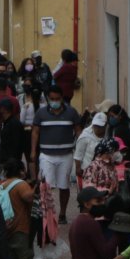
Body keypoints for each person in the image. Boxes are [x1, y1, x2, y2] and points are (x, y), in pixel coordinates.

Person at [31, 85, 82, 224]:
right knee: (46, 186)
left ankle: (63, 214)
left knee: (64, 186)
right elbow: (35, 132)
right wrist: (33, 151)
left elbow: (78, 131)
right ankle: (47, 213)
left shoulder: (72, 113)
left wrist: (79, 150)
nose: (54, 101)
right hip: (46, 155)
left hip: (66, 155)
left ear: (61, 98)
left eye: (57, 99)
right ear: (48, 98)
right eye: (52, 99)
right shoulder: (41, 113)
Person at [74, 112, 107, 178]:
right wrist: (78, 168)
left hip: (104, 171)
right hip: (88, 170)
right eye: (95, 126)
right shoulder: (85, 136)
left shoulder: (108, 134)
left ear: (105, 125)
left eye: (100, 126)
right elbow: (78, 155)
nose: (97, 128)